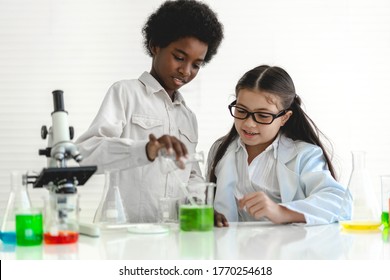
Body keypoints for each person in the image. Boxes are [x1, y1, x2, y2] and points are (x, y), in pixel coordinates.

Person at [76, 0, 224, 223]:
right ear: (156, 45)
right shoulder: (125, 93)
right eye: (180, 57)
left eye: (196, 64)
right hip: (123, 235)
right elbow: (85, 155)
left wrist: (202, 206)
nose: (186, 71)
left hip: (172, 236)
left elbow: (191, 174)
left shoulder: (188, 117)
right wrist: (146, 150)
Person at [206, 65, 351, 227]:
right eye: (241, 111)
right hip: (232, 248)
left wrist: (280, 211)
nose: (248, 123)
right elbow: (206, 200)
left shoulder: (304, 155)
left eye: (262, 115)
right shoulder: (221, 149)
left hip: (286, 249)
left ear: (284, 118)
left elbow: (339, 202)